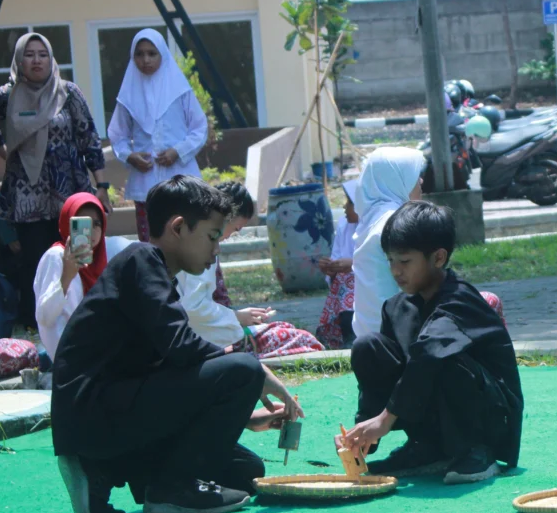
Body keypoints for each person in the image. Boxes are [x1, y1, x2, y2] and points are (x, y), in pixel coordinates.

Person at [51, 175, 301, 513]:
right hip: (95, 413)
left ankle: (103, 472)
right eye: (213, 237)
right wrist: (256, 372)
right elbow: (182, 349)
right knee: (243, 369)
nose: (216, 251)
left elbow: (162, 370)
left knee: (245, 471)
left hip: (111, 414)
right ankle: (171, 488)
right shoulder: (141, 259)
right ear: (179, 228)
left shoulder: (153, 275)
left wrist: (245, 417)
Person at [339, 200, 523, 485]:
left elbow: (429, 354)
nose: (396, 271)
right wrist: (363, 432)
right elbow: (385, 374)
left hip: (489, 420)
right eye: (390, 261)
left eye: (405, 261)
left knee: (441, 356)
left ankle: (475, 450)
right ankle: (426, 448)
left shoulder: (461, 300)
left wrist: (385, 420)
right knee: (368, 346)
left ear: (438, 258)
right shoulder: (394, 307)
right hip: (432, 415)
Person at [0, 33, 110, 332]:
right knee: (38, 265)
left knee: (81, 256)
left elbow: (88, 137)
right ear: (19, 59)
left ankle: (87, 321)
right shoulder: (6, 96)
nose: (37, 60)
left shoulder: (68, 93)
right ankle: (37, 329)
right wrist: (10, 156)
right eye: (29, 54)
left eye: (43, 54)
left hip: (72, 195)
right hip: (28, 200)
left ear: (51, 58)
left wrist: (101, 185)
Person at [177, 182, 323, 358]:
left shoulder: (195, 246)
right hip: (209, 341)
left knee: (285, 329)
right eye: (236, 227)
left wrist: (239, 317)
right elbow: (193, 309)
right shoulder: (198, 251)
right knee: (301, 339)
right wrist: (237, 317)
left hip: (212, 332)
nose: (236, 232)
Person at [107, 28, 207, 243]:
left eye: (152, 53)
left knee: (188, 241)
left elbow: (199, 128)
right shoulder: (128, 96)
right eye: (139, 54)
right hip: (146, 183)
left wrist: (177, 151)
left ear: (163, 54)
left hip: (182, 178)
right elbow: (117, 135)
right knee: (151, 244)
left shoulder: (181, 91)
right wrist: (130, 156)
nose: (146, 60)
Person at [34, 193, 134, 361]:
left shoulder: (102, 256)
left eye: (96, 224)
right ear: (68, 223)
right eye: (83, 224)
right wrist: (67, 275)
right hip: (68, 355)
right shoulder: (56, 256)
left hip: (95, 350)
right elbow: (44, 318)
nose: (91, 231)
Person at [351, 147, 424, 339]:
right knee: (486, 302)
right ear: (397, 180)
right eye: (415, 175)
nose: (421, 181)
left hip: (368, 337)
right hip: (399, 337)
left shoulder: (372, 217)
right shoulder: (397, 222)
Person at [316, 179, 359, 349]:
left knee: (348, 282)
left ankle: (352, 336)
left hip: (364, 281)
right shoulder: (344, 225)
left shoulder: (374, 226)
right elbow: (337, 257)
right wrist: (330, 268)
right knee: (343, 280)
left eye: (349, 202)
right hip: (345, 284)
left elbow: (379, 261)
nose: (344, 207)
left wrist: (353, 264)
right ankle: (347, 336)